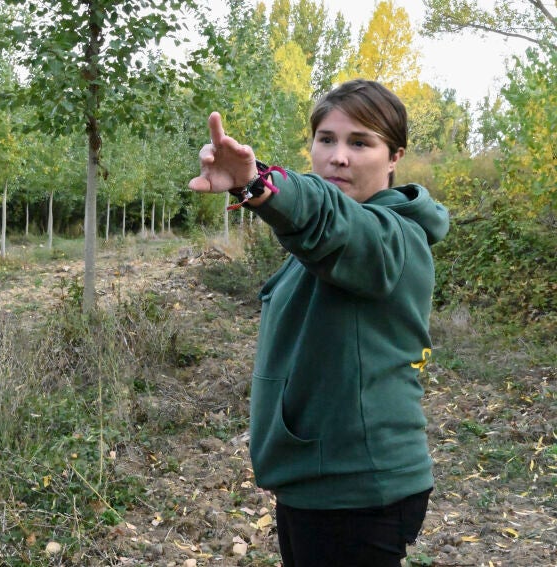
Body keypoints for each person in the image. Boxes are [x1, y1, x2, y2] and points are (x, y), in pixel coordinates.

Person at [188, 79, 450, 566]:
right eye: (326, 139)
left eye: (361, 142)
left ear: (394, 157)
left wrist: (259, 185)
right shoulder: (329, 236)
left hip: (355, 492)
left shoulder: (394, 239)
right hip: (316, 479)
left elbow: (329, 223)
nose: (338, 157)